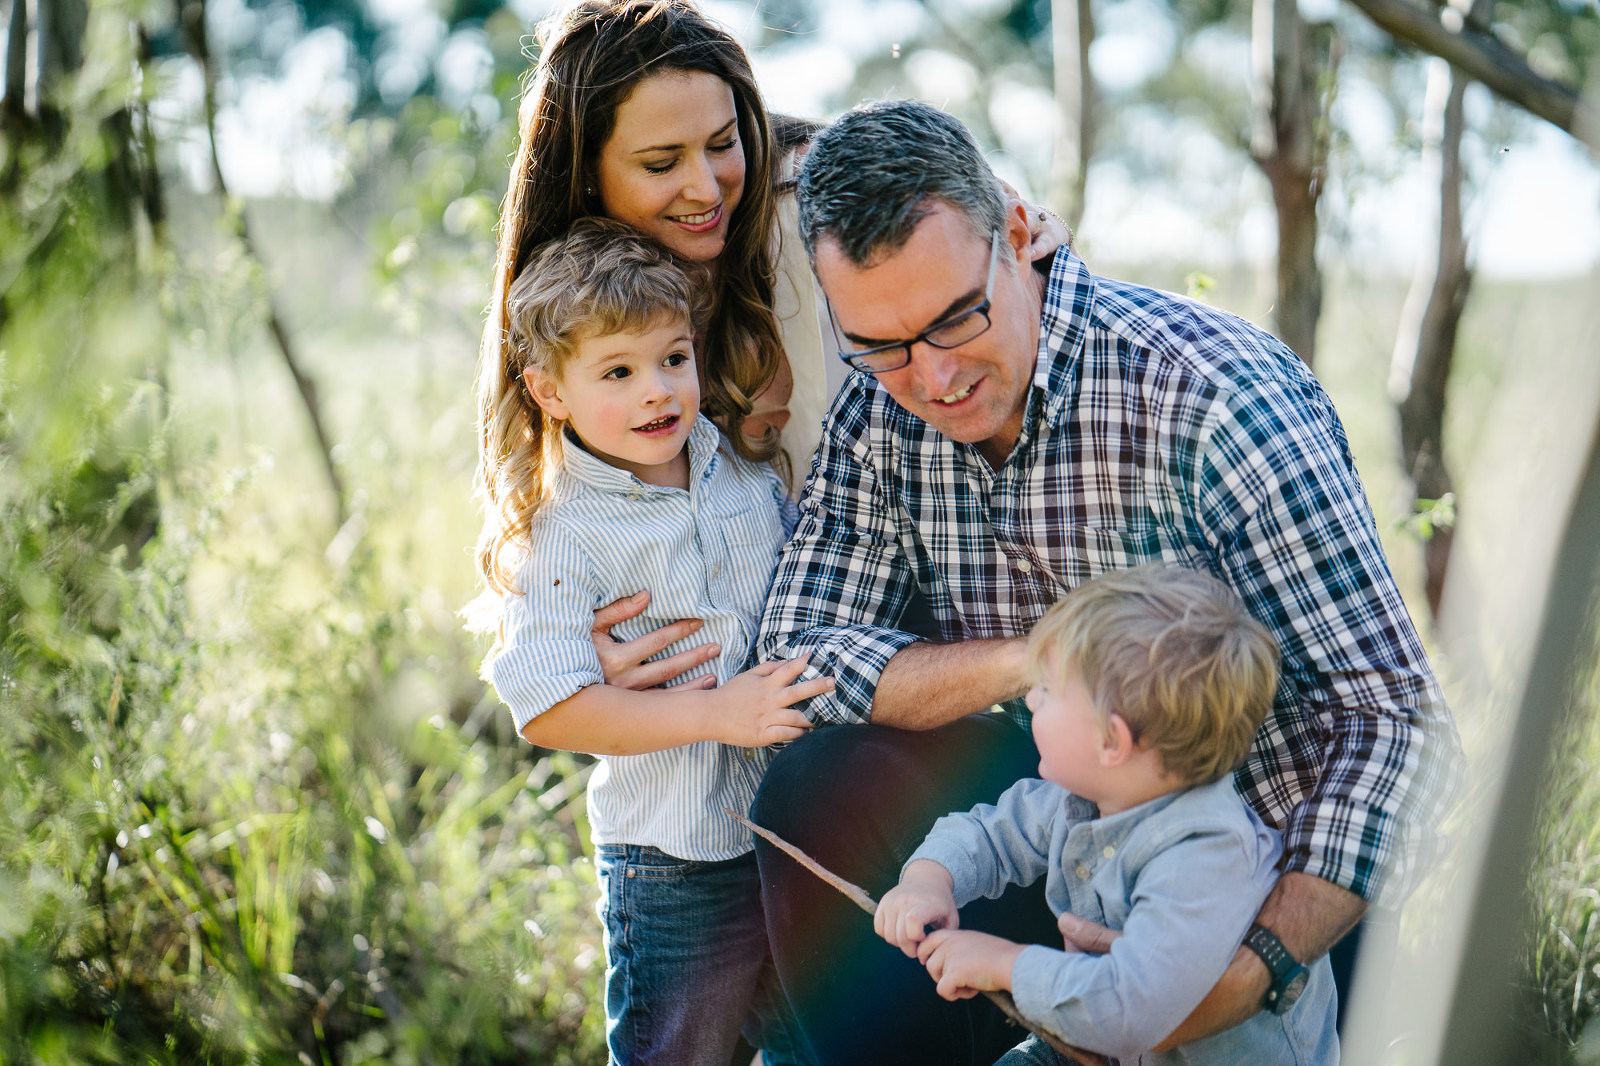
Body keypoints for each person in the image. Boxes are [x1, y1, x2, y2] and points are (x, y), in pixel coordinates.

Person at [737, 99, 1463, 1066]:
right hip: (1074, 826)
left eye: (958, 317)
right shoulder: (882, 413)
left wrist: (1237, 976)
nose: (935, 376)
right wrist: (1040, 657)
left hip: (1254, 878)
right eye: (882, 345)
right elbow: (799, 658)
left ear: (1022, 231)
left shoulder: (1212, 398)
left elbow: (1396, 722)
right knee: (815, 787)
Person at [472, 219, 832, 1065]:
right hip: (672, 863)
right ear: (551, 392)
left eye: (673, 359)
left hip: (786, 839)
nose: (656, 392)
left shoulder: (740, 470)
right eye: (619, 372)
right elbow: (552, 709)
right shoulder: (563, 531)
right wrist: (718, 713)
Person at [876, 565, 1339, 1066]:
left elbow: (1133, 1008)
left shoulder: (1205, 857)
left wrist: (1006, 965)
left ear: (1111, 741)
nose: (1028, 698)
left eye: (1047, 692)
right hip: (1104, 1041)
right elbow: (991, 833)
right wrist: (929, 880)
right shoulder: (1087, 797)